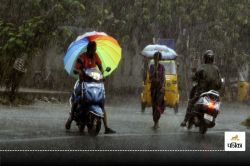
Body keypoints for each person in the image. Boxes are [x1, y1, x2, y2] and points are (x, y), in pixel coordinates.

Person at [65, 41, 116, 134]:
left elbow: (100, 66)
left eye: (95, 49)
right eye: (93, 49)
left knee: (101, 103)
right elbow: (76, 68)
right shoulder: (82, 57)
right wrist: (79, 71)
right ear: (89, 49)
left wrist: (102, 74)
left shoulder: (95, 56)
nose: (95, 51)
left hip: (95, 82)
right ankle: (71, 118)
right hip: (83, 81)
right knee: (77, 99)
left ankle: (107, 127)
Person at [180, 50, 222, 127]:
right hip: (213, 94)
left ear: (205, 58)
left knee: (191, 102)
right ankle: (210, 118)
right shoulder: (216, 69)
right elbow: (220, 83)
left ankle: (185, 121)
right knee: (218, 104)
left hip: (202, 92)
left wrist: (194, 77)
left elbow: (194, 77)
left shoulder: (202, 67)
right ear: (213, 59)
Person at [149, 52, 166, 129]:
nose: (156, 60)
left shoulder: (162, 67)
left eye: (158, 59)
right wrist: (154, 74)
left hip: (160, 89)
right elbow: (150, 77)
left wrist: (163, 86)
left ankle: (157, 121)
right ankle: (155, 122)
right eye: (155, 59)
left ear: (159, 59)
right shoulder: (152, 67)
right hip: (153, 89)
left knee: (158, 106)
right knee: (153, 106)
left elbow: (163, 78)